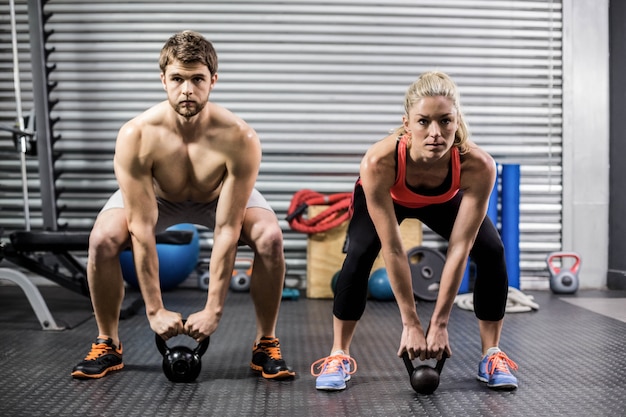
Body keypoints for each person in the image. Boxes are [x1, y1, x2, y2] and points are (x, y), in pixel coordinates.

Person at [71, 30, 295, 380]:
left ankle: (266, 342)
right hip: (156, 196)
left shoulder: (240, 137)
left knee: (270, 238)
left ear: (213, 80)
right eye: (177, 78)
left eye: (197, 79)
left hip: (217, 197)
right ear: (163, 80)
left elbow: (227, 228)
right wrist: (155, 310)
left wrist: (213, 309)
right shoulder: (137, 135)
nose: (187, 89)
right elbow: (141, 227)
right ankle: (107, 343)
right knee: (101, 240)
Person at [311, 71, 518, 391]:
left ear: (457, 120)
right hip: (389, 195)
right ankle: (339, 353)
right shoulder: (380, 161)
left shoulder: (478, 165)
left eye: (445, 121)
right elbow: (394, 249)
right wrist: (411, 323)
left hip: (444, 199)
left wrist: (439, 324)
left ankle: (491, 353)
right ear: (407, 123)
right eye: (424, 121)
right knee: (360, 253)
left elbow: (460, 248)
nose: (435, 132)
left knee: (491, 250)